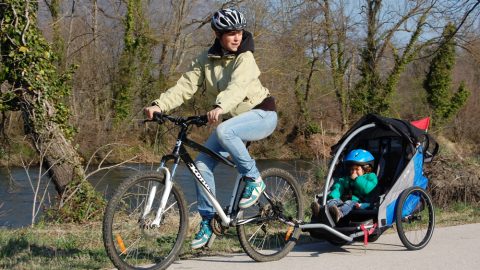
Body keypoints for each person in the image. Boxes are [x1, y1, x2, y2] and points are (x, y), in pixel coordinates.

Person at [144, 8, 277, 249]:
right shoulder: (206, 59)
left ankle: (254, 179)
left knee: (225, 130)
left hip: (261, 114)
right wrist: (159, 105)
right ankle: (209, 220)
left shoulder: (245, 57)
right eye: (230, 34)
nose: (237, 37)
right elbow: (185, 86)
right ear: (217, 34)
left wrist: (220, 105)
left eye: (239, 32)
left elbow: (237, 88)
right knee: (201, 164)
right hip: (233, 121)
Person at [314, 149, 378, 223]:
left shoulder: (371, 177)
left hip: (359, 203)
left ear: (366, 169)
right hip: (343, 200)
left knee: (349, 203)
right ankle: (321, 210)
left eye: (357, 169)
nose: (354, 172)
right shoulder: (347, 178)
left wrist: (357, 179)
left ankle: (339, 213)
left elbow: (367, 189)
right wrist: (333, 195)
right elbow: (339, 186)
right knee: (333, 201)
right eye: (352, 169)